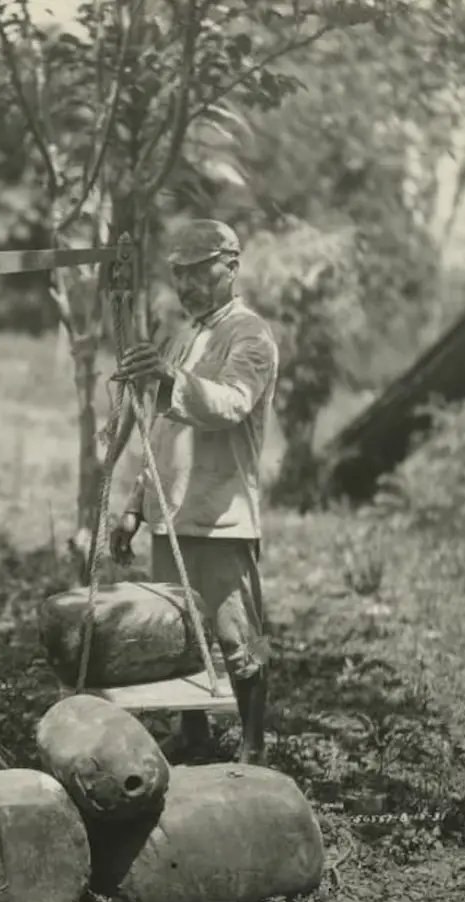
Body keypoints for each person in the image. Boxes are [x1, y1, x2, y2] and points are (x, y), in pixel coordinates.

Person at [109, 219, 278, 766]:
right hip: (171, 512)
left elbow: (230, 404)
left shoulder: (249, 336)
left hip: (220, 515)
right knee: (179, 634)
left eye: (199, 273)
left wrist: (169, 378)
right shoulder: (188, 337)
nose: (187, 287)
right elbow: (161, 431)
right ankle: (195, 734)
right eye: (179, 275)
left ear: (231, 266)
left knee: (240, 639)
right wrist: (135, 505)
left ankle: (253, 747)